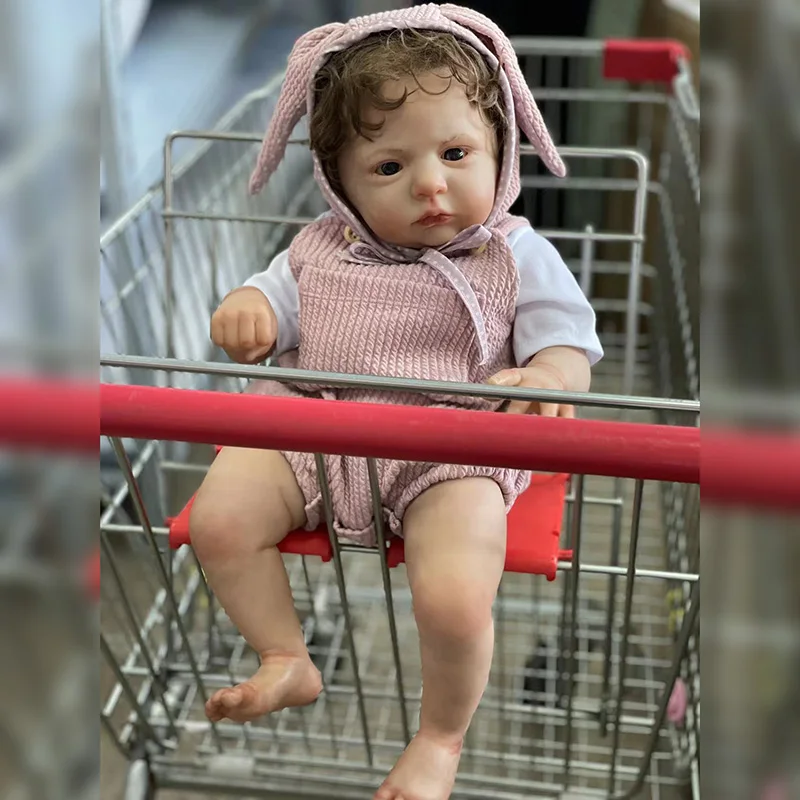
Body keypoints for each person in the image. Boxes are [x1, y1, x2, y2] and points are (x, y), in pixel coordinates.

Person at [190, 5, 603, 799]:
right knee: (220, 521)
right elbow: (272, 302)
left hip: (453, 447)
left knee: (454, 596)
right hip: (312, 425)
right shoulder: (320, 247)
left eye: (456, 153)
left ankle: (439, 739)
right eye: (388, 167)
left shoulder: (515, 254)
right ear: (338, 183)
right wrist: (250, 309)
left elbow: (567, 343)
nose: (430, 184)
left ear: (499, 149)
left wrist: (547, 378)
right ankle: (285, 655)